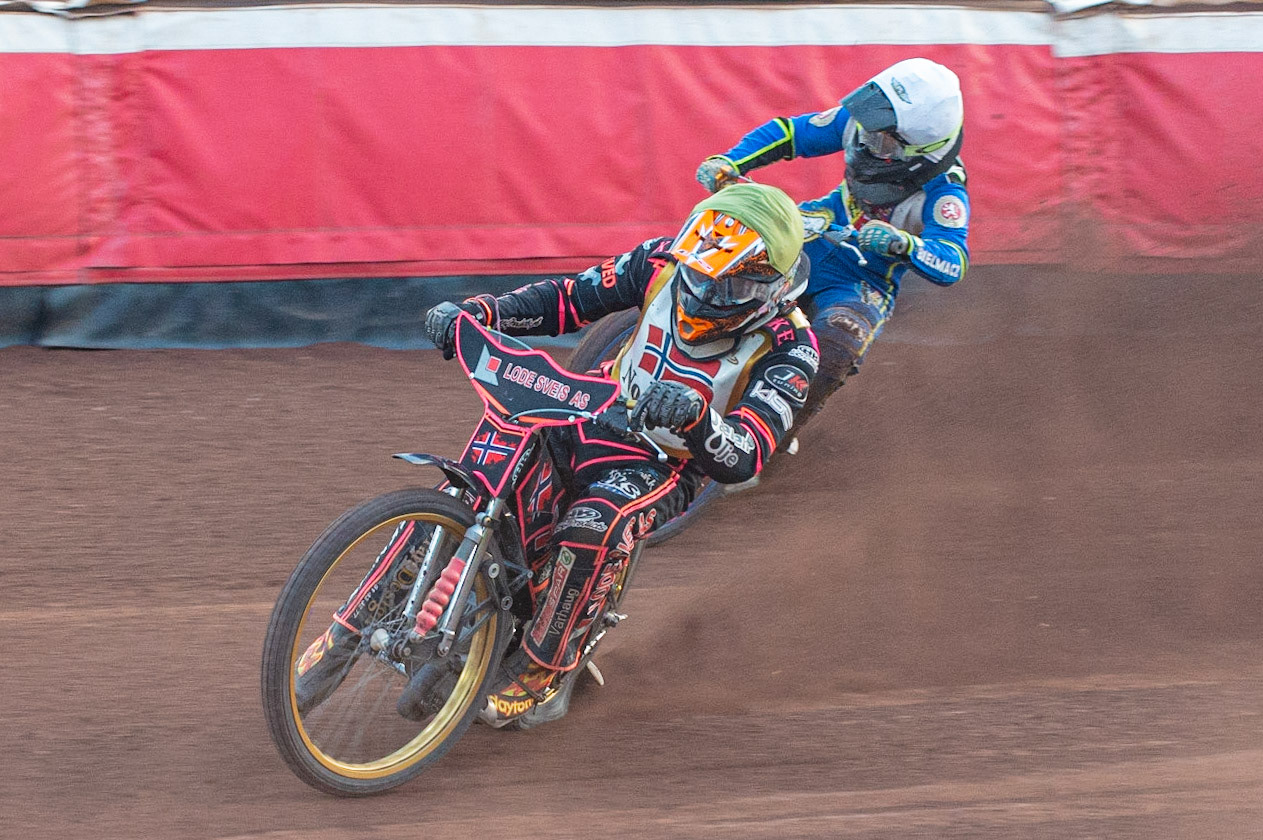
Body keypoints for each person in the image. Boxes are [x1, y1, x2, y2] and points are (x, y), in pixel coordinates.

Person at [421, 183, 819, 727]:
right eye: (697, 274)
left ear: (771, 287)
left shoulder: (793, 349)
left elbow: (747, 455)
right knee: (474, 483)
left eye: (727, 289)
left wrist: (697, 418)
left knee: (591, 526)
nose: (703, 294)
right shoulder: (659, 262)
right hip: (589, 411)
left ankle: (545, 673)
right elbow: (567, 299)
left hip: (666, 462)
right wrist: (481, 313)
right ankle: (387, 600)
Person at [695, 57, 970, 442]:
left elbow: (953, 261)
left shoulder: (945, 190)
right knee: (722, 259)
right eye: (868, 124)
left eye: (882, 137)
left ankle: (768, 437)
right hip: (810, 231)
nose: (865, 137)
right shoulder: (859, 124)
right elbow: (792, 133)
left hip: (863, 280)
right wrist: (730, 161)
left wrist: (904, 243)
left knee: (838, 344)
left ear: (919, 148)